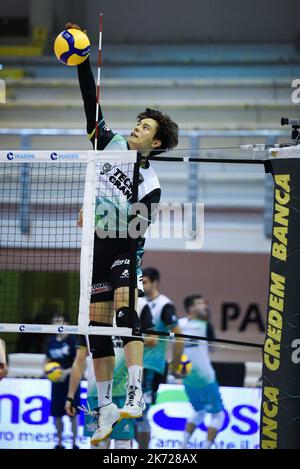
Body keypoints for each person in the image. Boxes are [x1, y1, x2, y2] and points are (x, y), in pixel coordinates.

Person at [64, 22, 179, 444]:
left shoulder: (151, 184)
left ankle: (134, 393)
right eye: (138, 122)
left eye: (146, 127)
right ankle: (105, 408)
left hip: (124, 248)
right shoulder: (107, 141)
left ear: (158, 143)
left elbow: (136, 228)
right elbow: (87, 98)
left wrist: (96, 215)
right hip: (94, 247)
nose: (137, 128)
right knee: (95, 328)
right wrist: (81, 57)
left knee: (124, 312)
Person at [65, 299, 156, 449]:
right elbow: (79, 361)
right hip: (96, 394)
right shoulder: (88, 316)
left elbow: (153, 339)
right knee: (99, 444)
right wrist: (70, 396)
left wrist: (133, 338)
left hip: (124, 394)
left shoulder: (134, 310)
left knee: (123, 445)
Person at [135, 267, 183, 449]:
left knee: (142, 413)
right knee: (132, 414)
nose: (142, 285)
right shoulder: (137, 302)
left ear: (155, 282)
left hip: (151, 367)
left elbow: (179, 336)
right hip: (133, 365)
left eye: (145, 281)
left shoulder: (164, 305)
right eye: (141, 281)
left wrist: (176, 366)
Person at [179, 295, 225, 449]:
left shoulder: (179, 324)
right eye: (199, 303)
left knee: (199, 411)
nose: (204, 305)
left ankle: (183, 446)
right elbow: (212, 347)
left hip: (187, 377)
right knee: (218, 415)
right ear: (191, 308)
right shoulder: (205, 325)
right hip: (206, 378)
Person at [45, 314, 80, 449]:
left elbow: (80, 364)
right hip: (56, 384)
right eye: (54, 321)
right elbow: (47, 361)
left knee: (72, 415)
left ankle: (74, 444)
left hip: (71, 382)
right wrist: (48, 373)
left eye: (60, 321)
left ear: (67, 323)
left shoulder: (73, 339)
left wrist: (65, 373)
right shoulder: (51, 341)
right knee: (57, 416)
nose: (57, 324)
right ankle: (59, 444)